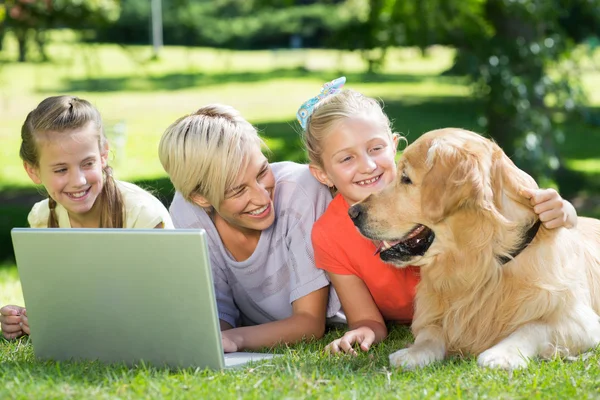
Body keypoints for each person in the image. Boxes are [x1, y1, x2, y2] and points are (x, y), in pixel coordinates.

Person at [299, 77, 579, 355]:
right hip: (435, 321)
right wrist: (362, 330)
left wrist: (565, 212)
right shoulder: (329, 234)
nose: (369, 165)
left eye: (375, 148)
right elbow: (366, 319)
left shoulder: (436, 185)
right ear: (322, 174)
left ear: (394, 145)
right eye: (347, 158)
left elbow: (511, 212)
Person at [158, 104, 341, 353]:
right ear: (201, 198)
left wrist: (237, 339)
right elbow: (217, 312)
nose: (262, 197)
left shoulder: (301, 192)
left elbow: (310, 322)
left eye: (262, 172)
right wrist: (219, 338)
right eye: (238, 190)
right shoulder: (188, 212)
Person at [1, 95, 174, 340]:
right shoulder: (41, 219)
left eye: (88, 163)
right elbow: (60, 302)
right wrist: (27, 318)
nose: (78, 181)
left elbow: (167, 308)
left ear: (104, 155)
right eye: (61, 169)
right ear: (33, 170)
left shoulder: (143, 217)